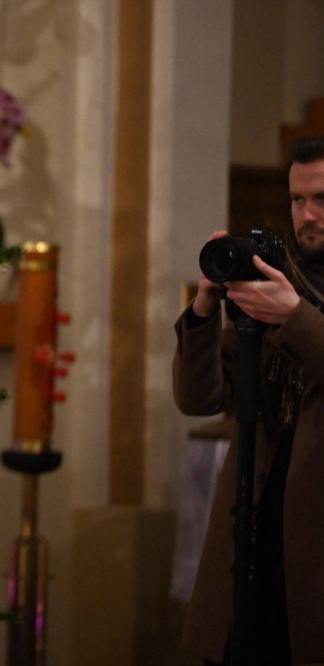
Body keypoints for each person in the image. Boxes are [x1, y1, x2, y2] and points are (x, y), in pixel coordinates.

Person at [173, 135, 324, 665]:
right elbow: (201, 398)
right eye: (297, 200)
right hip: (256, 532)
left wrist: (296, 318)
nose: (307, 215)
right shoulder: (275, 276)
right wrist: (203, 313)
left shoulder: (287, 300)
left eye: (322, 199)